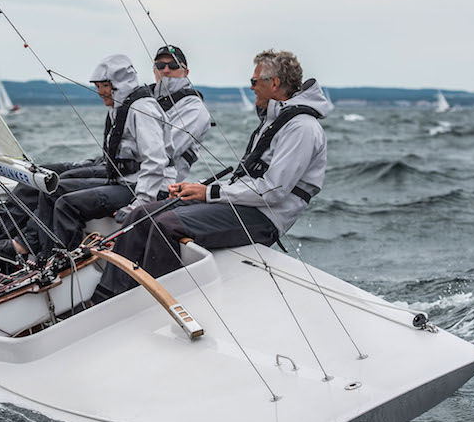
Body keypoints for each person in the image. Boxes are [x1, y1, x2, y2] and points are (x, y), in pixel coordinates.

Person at [91, 49, 332, 303]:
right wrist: (199, 189)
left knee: (166, 225)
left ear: (274, 84)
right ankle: (109, 296)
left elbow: (272, 191)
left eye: (254, 82)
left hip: (264, 217)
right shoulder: (279, 119)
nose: (251, 88)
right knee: (142, 213)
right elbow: (251, 181)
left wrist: (209, 193)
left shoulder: (302, 128)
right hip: (244, 204)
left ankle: (155, 304)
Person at [0, 54, 171, 263]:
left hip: (146, 188)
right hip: (124, 181)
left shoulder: (141, 109)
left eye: (103, 86)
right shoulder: (120, 107)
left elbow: (156, 160)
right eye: (97, 87)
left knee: (67, 204)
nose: (99, 92)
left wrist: (140, 203)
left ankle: (57, 261)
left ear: (119, 84)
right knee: (52, 189)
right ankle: (27, 246)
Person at [148, 45, 212, 182]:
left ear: (186, 72)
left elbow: (167, 149)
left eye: (173, 65)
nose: (166, 70)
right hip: (130, 176)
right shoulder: (145, 101)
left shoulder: (194, 108)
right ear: (154, 70)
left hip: (162, 184)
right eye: (160, 65)